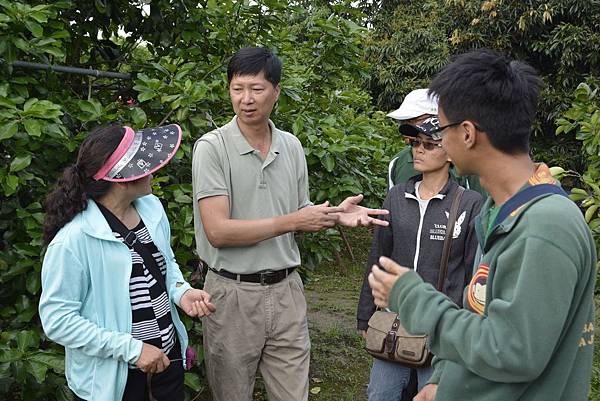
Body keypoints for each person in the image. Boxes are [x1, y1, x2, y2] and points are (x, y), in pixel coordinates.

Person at [368, 49, 597, 401]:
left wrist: (412, 296)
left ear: (468, 133)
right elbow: (480, 309)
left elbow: (512, 352)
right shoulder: (498, 213)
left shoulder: (546, 226)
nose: (438, 142)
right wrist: (442, 378)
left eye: (441, 130)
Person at [191, 46, 388, 401]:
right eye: (238, 89)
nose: (246, 99)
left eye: (256, 89)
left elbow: (299, 212)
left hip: (286, 292)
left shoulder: (291, 146)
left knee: (293, 395)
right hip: (232, 294)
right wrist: (293, 220)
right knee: (232, 394)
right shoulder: (212, 148)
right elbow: (218, 231)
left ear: (276, 91)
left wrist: (335, 216)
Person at [39, 124, 216, 401]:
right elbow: (58, 320)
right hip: (114, 383)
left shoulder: (152, 209)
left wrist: (182, 292)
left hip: (166, 365)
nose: (154, 170)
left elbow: (164, 262)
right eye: (144, 164)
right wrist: (132, 349)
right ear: (121, 177)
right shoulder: (74, 240)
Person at [357, 117, 483, 400]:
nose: (419, 151)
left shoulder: (469, 202)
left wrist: (465, 326)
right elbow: (378, 256)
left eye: (429, 144)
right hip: (393, 321)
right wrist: (365, 316)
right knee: (380, 395)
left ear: (450, 153)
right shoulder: (396, 197)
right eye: (415, 144)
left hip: (441, 327)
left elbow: (472, 271)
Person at [387, 89, 486, 196]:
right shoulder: (397, 162)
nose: (410, 126)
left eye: (415, 120)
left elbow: (481, 207)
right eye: (404, 122)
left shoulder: (465, 162)